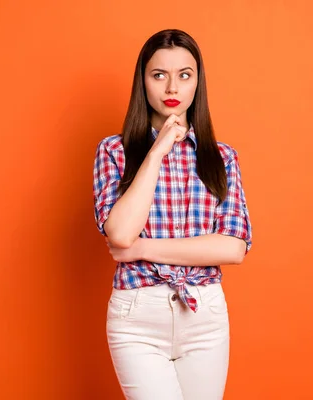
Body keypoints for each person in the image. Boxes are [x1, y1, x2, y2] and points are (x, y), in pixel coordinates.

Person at [92, 29, 253, 400]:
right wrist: (157, 150)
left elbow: (232, 248)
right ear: (143, 81)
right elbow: (119, 233)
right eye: (158, 74)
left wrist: (141, 249)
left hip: (205, 316)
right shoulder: (114, 151)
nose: (172, 87)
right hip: (137, 318)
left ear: (198, 81)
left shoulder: (221, 158)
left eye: (185, 74)